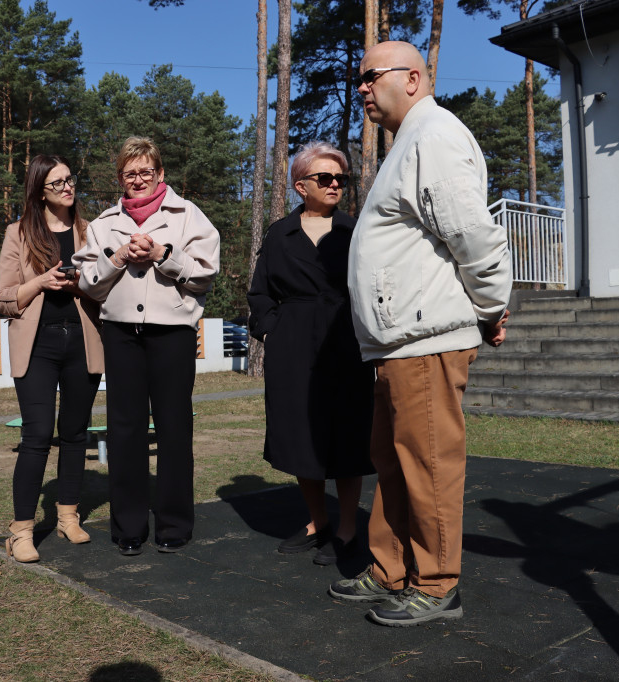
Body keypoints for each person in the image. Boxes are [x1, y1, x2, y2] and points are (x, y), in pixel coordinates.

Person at [328, 41, 512, 626]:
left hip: (425, 338)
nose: (361, 87)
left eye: (370, 76)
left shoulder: (433, 136)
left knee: (428, 462)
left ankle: (436, 585)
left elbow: (472, 234)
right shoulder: (410, 140)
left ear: (412, 78)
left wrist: (491, 307)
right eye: (358, 79)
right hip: (398, 340)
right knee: (394, 461)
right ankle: (391, 569)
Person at [74, 136, 220, 556]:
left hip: (172, 333)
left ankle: (174, 524)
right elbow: (87, 282)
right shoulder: (103, 224)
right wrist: (117, 257)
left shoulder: (189, 216)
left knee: (174, 428)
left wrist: (162, 253)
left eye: (146, 172)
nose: (138, 180)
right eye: (129, 173)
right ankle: (129, 526)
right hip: (121, 334)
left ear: (160, 174)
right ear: (120, 177)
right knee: (125, 430)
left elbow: (205, 274)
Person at [247, 141, 374, 567]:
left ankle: (347, 528)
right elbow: (260, 293)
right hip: (293, 346)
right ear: (301, 186)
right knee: (300, 433)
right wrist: (273, 330)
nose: (335, 184)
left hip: (347, 341)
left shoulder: (358, 230)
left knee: (349, 434)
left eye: (341, 178)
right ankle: (317, 520)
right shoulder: (279, 233)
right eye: (325, 177)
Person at [0, 154, 104, 563]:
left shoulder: (92, 232)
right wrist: (41, 281)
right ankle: (21, 531)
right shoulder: (18, 233)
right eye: (57, 183)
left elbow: (107, 291)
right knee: (37, 434)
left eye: (70, 179)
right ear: (40, 191)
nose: (67, 187)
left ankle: (68, 516)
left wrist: (77, 287)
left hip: (83, 343)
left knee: (75, 433)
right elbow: (3, 298)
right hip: (37, 346)